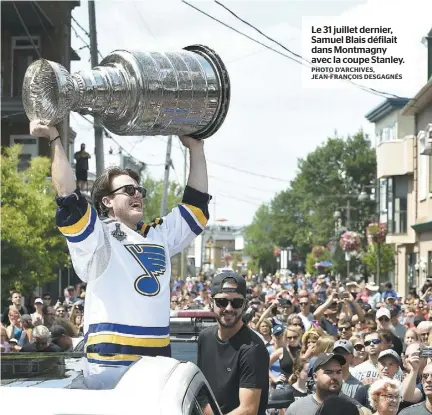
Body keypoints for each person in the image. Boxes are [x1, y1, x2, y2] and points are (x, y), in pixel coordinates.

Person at [30, 120, 210, 364]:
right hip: (109, 362)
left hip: (156, 361)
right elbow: (68, 199)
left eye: (139, 191)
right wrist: (54, 137)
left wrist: (195, 148)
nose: (137, 194)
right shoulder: (98, 234)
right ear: (107, 202)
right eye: (128, 190)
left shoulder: (159, 234)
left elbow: (196, 205)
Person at [197, 271, 269, 415]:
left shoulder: (253, 349)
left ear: (245, 305)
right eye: (222, 302)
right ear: (211, 303)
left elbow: (248, 410)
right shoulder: (205, 338)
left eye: (236, 302)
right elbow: (201, 390)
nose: (229, 308)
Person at [286, 352, 371, 415]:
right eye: (328, 372)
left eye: (338, 372)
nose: (335, 376)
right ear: (315, 377)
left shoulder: (355, 409)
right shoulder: (296, 409)